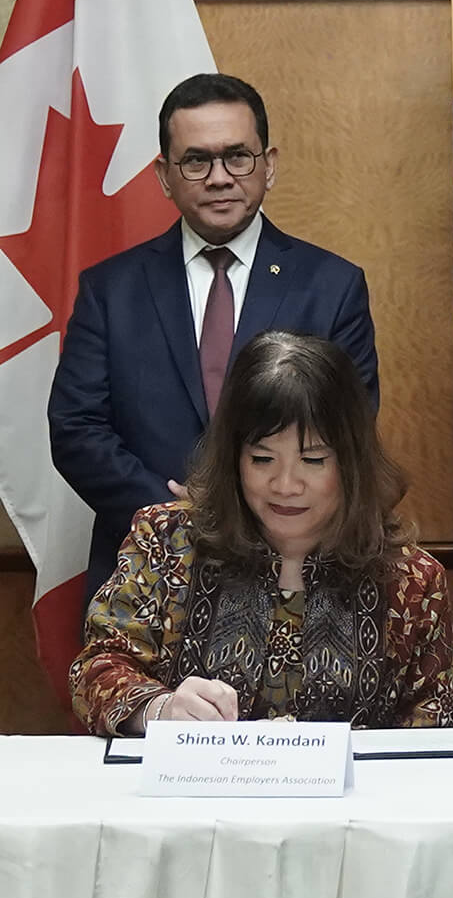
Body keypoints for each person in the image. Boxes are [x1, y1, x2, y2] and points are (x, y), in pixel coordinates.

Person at [50, 72, 379, 610]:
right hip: (146, 573)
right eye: (197, 161)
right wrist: (178, 519)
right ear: (164, 175)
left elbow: (350, 428)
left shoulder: (332, 286)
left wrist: (252, 513)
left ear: (269, 165)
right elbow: (75, 428)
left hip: (295, 574)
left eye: (238, 157)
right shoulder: (110, 290)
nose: (220, 178)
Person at [71, 330, 453, 733]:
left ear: (351, 462)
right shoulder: (166, 542)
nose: (285, 485)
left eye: (313, 460)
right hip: (198, 775)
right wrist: (160, 709)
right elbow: (97, 667)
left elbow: (434, 718)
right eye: (262, 458)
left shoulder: (411, 579)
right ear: (233, 458)